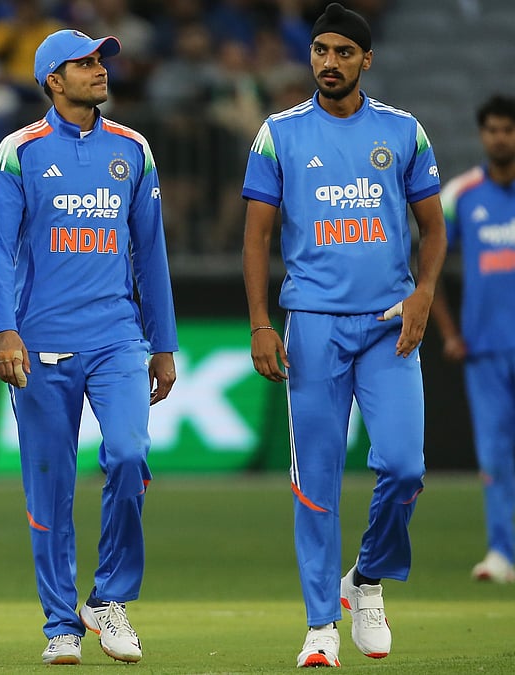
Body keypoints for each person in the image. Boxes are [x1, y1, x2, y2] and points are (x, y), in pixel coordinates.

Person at [241, 4, 447, 668]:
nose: (329, 62)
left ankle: (367, 577)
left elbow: (434, 228)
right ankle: (319, 627)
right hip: (314, 326)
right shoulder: (278, 134)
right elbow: (256, 238)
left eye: (344, 52)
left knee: (405, 467)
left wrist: (423, 292)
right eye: (320, 50)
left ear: (366, 60)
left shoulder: (403, 131)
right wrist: (261, 322)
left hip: (389, 325)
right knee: (316, 482)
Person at [0, 29, 178, 666]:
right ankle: (60, 624)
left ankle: (110, 598)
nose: (100, 70)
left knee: (129, 454)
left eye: (101, 62)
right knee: (50, 490)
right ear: (53, 79)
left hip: (117, 336)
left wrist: (163, 343)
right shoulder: (18, 152)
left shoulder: (132, 148)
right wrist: (4, 330)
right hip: (40, 343)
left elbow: (150, 252)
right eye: (85, 63)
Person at [430, 94, 515, 585]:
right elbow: (429, 262)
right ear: (483, 135)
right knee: (494, 454)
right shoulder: (461, 195)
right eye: (493, 130)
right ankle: (501, 552)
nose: (500, 138)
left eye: (508, 129)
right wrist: (448, 332)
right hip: (485, 349)